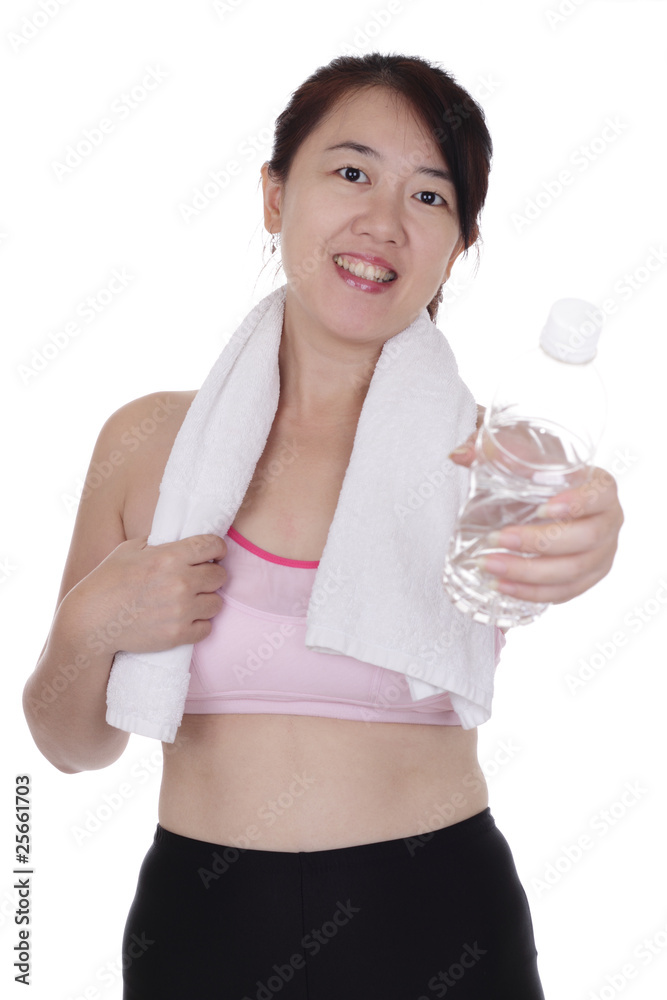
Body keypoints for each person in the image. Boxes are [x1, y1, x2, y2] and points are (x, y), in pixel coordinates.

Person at [23, 52, 624, 999]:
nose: (382, 221)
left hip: (436, 928)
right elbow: (68, 747)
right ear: (274, 196)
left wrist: (593, 534)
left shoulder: (491, 460)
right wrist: (89, 627)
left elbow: (569, 524)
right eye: (351, 172)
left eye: (428, 196)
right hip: (199, 933)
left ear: (457, 244)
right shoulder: (147, 446)